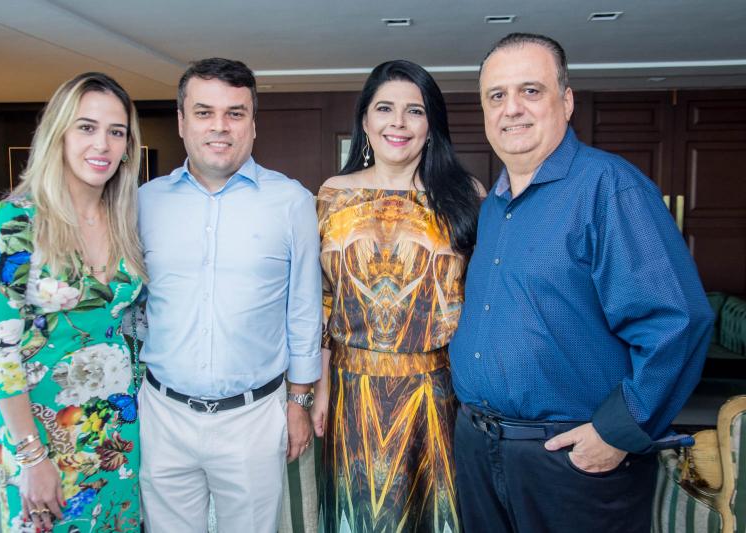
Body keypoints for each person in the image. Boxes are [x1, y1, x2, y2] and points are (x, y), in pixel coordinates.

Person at [449, 32, 714, 533]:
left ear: (566, 101)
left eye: (531, 91)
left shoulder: (608, 187)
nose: (511, 108)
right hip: (479, 450)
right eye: (496, 95)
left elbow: (678, 321)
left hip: (570, 459)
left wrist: (618, 430)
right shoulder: (492, 207)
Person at [137, 57, 322, 533]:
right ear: (182, 121)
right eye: (204, 112)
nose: (219, 126)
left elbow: (304, 309)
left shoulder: (292, 202)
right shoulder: (143, 202)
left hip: (253, 418)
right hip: (163, 415)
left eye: (235, 113)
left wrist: (299, 403)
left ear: (253, 124)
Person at [313, 60, 483, 532]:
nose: (399, 122)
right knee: (360, 515)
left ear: (431, 125)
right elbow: (323, 299)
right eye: (385, 108)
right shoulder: (332, 195)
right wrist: (319, 387)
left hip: (438, 391)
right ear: (365, 120)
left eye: (415, 110)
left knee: (437, 516)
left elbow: (482, 298)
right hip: (352, 391)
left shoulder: (465, 196)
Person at [0, 72, 145, 532]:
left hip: (117, 432)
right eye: (86, 127)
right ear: (59, 133)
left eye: (116, 132)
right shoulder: (16, 221)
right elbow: (2, 352)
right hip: (41, 436)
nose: (102, 144)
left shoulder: (126, 218)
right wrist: (31, 457)